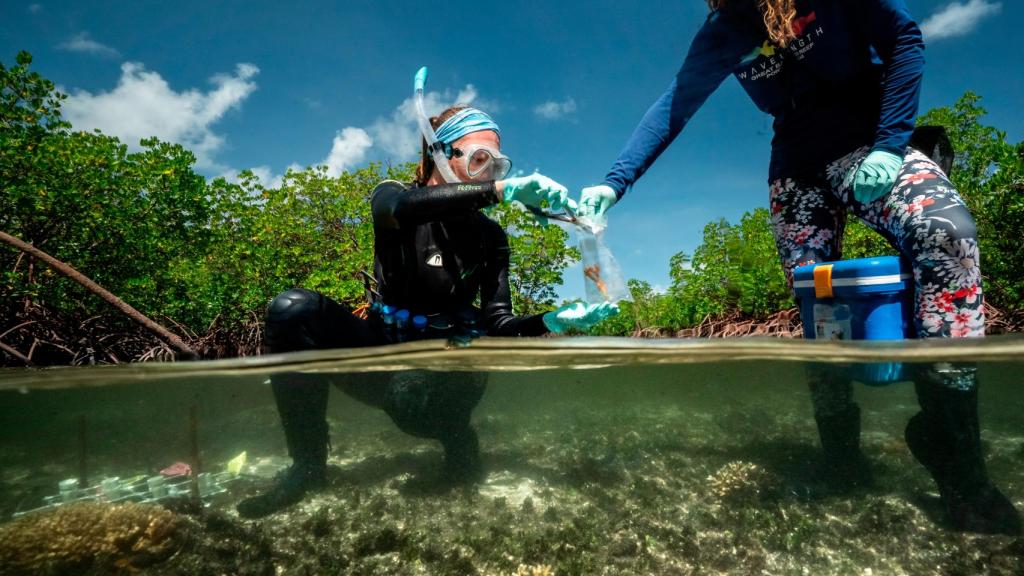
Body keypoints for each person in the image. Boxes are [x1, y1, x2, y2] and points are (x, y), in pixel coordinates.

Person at [576, 0, 1020, 534]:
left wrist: (889, 144)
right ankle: (841, 458)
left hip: (871, 141)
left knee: (947, 238)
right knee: (815, 300)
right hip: (797, 169)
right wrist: (613, 182)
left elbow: (905, 40)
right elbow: (675, 104)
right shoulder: (722, 28)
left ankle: (959, 462)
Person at [236, 95, 618, 518]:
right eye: (479, 160)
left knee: (427, 419)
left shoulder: (491, 238)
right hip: (380, 359)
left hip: (447, 376)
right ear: (440, 153)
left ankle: (457, 439)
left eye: (498, 164)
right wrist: (498, 190)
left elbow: (498, 323)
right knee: (293, 309)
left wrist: (550, 320)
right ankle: (307, 465)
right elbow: (402, 209)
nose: (490, 173)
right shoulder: (394, 198)